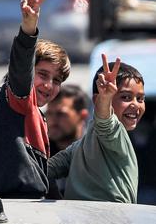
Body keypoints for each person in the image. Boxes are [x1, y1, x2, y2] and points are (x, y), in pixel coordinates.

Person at [0, 0, 70, 199]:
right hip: (15, 206)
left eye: (56, 80)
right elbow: (21, 67)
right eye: (42, 74)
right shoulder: (18, 99)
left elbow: (41, 175)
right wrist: (28, 29)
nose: (49, 85)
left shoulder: (32, 115)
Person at [47, 55, 145, 203]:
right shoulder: (87, 143)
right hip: (105, 223)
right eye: (125, 97)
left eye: (140, 99)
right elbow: (45, 171)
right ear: (97, 100)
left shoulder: (91, 142)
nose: (135, 104)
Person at [46, 84, 90, 196]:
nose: (52, 121)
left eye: (61, 114)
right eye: (49, 113)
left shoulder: (96, 150)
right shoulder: (40, 151)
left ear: (82, 116)